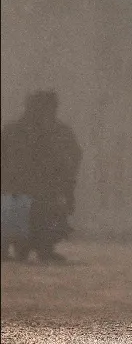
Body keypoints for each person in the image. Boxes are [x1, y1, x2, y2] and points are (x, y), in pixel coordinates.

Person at [1, 90, 82, 262]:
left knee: (41, 211)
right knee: (18, 212)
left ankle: (40, 245)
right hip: (18, 196)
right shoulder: (14, 132)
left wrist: (66, 191)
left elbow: (72, 160)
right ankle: (30, 245)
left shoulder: (59, 133)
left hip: (38, 197)